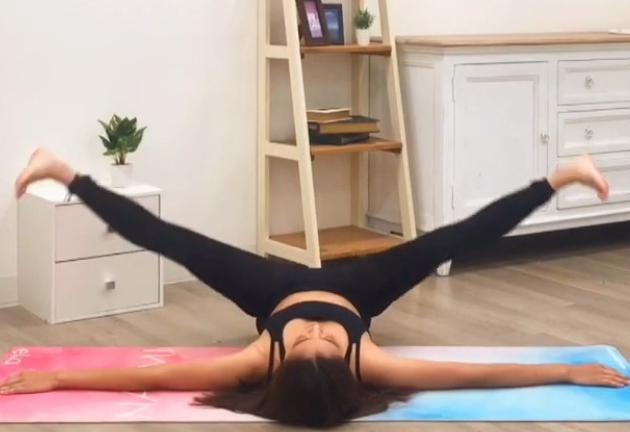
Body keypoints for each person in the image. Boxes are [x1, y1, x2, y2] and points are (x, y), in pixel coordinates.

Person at [2, 149, 628, 428]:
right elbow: (474, 377)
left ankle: (64, 171)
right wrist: (566, 371)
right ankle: (562, 177)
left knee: (172, 241)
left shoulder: (259, 358)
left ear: (281, 363)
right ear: (347, 363)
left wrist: (57, 381)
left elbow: (152, 379)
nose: (319, 333)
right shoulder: (368, 362)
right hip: (361, 290)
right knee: (454, 240)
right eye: (328, 343)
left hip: (271, 290)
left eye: (306, 342)